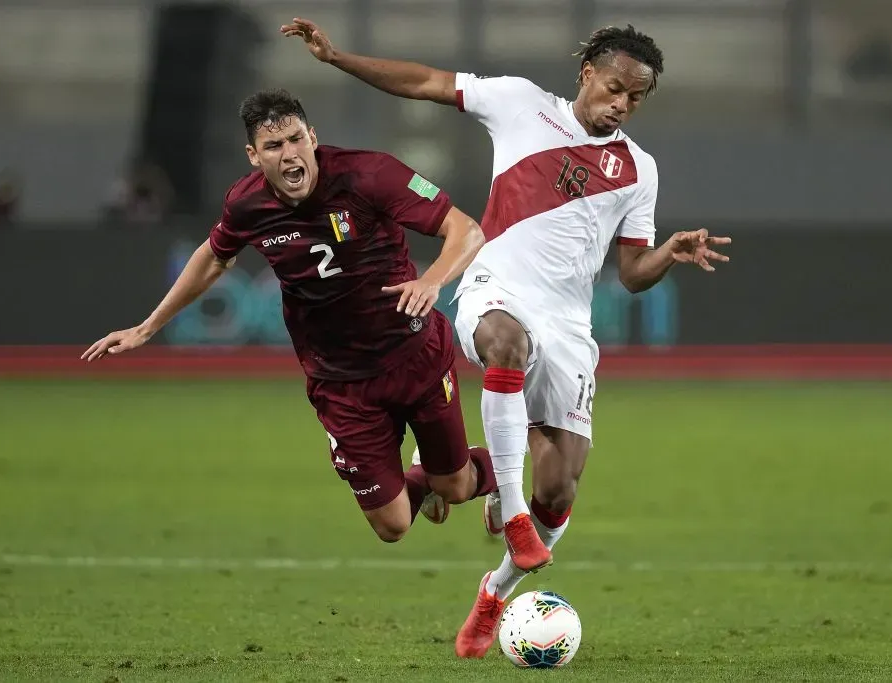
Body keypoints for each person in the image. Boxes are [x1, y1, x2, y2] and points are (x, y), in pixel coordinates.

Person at [283, 20, 732, 657]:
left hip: (569, 322)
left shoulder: (638, 169)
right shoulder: (521, 103)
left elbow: (631, 275)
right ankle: (512, 515)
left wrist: (667, 252)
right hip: (498, 287)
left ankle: (494, 591)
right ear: (587, 74)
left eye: (635, 98)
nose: (621, 104)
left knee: (563, 486)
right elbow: (424, 82)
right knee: (504, 344)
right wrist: (336, 58)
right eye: (613, 88)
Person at [82, 89, 498, 543]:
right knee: (393, 525)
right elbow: (214, 256)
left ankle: (499, 485)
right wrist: (147, 327)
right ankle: (426, 474)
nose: (289, 154)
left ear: (312, 136)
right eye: (274, 146)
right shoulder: (246, 205)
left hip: (415, 354)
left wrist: (432, 279)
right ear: (254, 156)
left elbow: (466, 229)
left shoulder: (370, 173)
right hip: (340, 382)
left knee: (455, 488)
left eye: (296, 139)